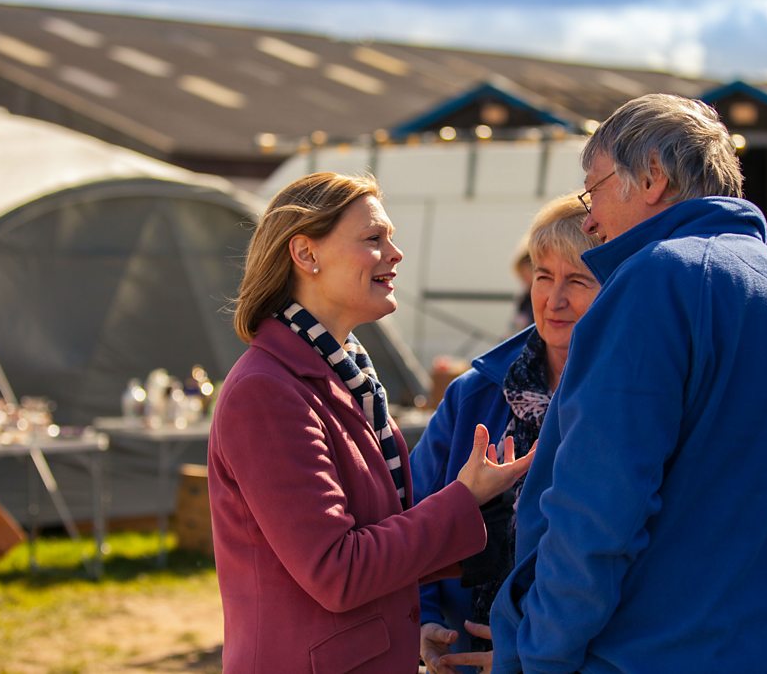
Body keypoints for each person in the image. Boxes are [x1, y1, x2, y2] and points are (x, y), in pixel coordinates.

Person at [489, 94, 767, 672]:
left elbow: (597, 510)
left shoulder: (653, 281)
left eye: (593, 190)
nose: (589, 220)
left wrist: (540, 655)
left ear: (652, 176)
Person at [207, 172, 535, 673]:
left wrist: (482, 523)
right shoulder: (267, 391)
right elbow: (337, 571)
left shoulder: (344, 373)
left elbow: (376, 536)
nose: (395, 254)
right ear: (306, 254)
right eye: (373, 238)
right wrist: (462, 499)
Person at [411, 195, 599, 673]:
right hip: (460, 654)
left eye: (578, 280)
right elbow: (412, 511)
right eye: (543, 276)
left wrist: (531, 650)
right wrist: (423, 617)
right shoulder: (473, 393)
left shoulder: (627, 401)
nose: (554, 299)